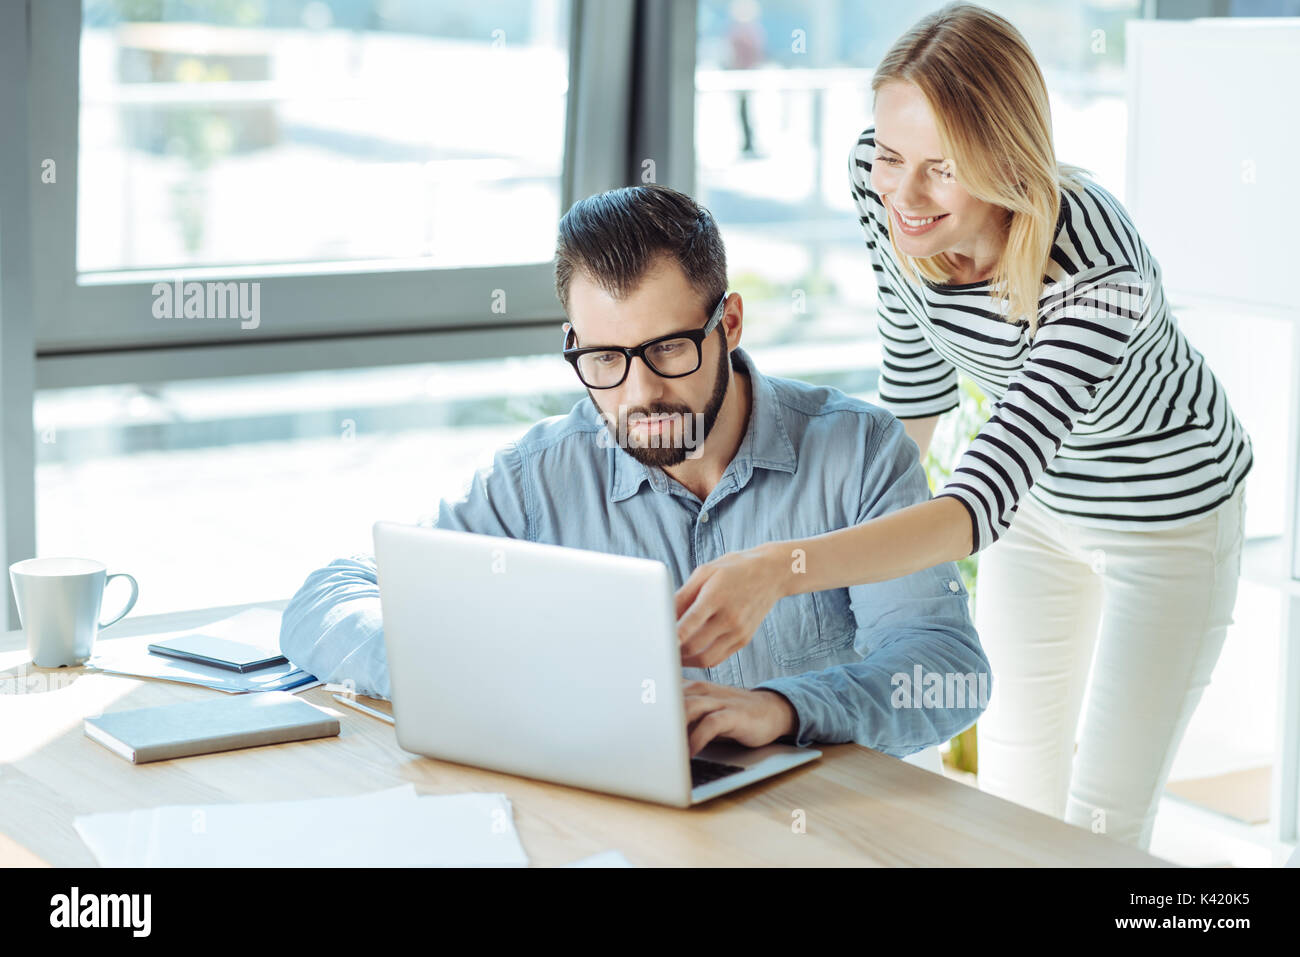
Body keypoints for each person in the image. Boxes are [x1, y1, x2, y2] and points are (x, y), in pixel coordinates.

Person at [672, 2, 1252, 851]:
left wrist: (781, 567)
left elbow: (973, 506)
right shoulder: (882, 182)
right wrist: (841, 565)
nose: (903, 194)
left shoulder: (1098, 269)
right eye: (893, 155)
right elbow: (914, 381)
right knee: (1012, 791)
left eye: (941, 169)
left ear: (1006, 160)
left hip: (1167, 521)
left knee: (1102, 819)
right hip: (1042, 510)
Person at [280, 183, 989, 762]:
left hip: (814, 827)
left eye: (669, 349)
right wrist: (474, 671)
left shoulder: (858, 451)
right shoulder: (544, 476)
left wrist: (782, 709)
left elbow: (948, 670)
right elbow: (330, 597)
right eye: (605, 360)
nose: (638, 394)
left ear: (731, 322)